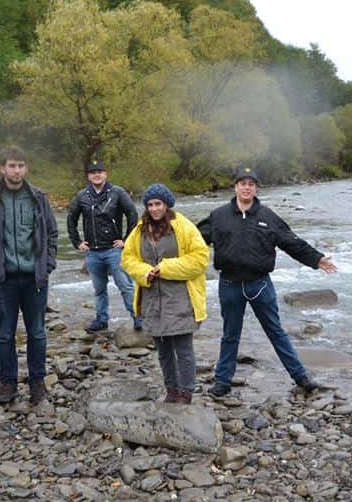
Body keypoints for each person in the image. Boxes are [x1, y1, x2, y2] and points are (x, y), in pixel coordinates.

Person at [197, 168, 338, 398]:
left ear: (256, 188)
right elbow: (193, 238)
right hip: (229, 284)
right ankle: (222, 382)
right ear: (235, 187)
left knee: (276, 332)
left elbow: (291, 242)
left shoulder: (267, 216)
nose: (246, 187)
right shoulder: (218, 216)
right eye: (242, 183)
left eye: (251, 184)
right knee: (230, 334)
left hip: (260, 284)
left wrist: (316, 259)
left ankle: (301, 377)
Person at [0, 146, 58, 406]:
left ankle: (37, 382)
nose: (17, 170)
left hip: (35, 278)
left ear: (26, 168)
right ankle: (8, 383)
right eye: (12, 166)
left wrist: (48, 264)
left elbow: (52, 233)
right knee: (4, 334)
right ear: (2, 169)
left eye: (21, 165)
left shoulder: (38, 197)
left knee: (37, 333)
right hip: (2, 279)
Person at [122, 184, 209, 404]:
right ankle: (171, 390)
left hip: (180, 297)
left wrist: (166, 268)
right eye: (150, 205)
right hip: (152, 299)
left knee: (184, 350)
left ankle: (186, 393)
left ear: (167, 205)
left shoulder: (184, 226)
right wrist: (144, 272)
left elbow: (200, 259)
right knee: (163, 351)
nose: (154, 209)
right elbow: (128, 259)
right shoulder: (139, 230)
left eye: (158, 204)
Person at [66, 159, 141, 333]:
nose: (97, 175)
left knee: (125, 286)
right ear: (88, 176)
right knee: (99, 290)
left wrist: (126, 240)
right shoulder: (82, 196)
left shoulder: (118, 192)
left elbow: (132, 214)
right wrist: (77, 242)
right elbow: (71, 219)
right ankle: (101, 320)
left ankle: (138, 317)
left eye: (100, 172)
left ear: (105, 174)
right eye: (93, 172)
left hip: (114, 250)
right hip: (93, 252)